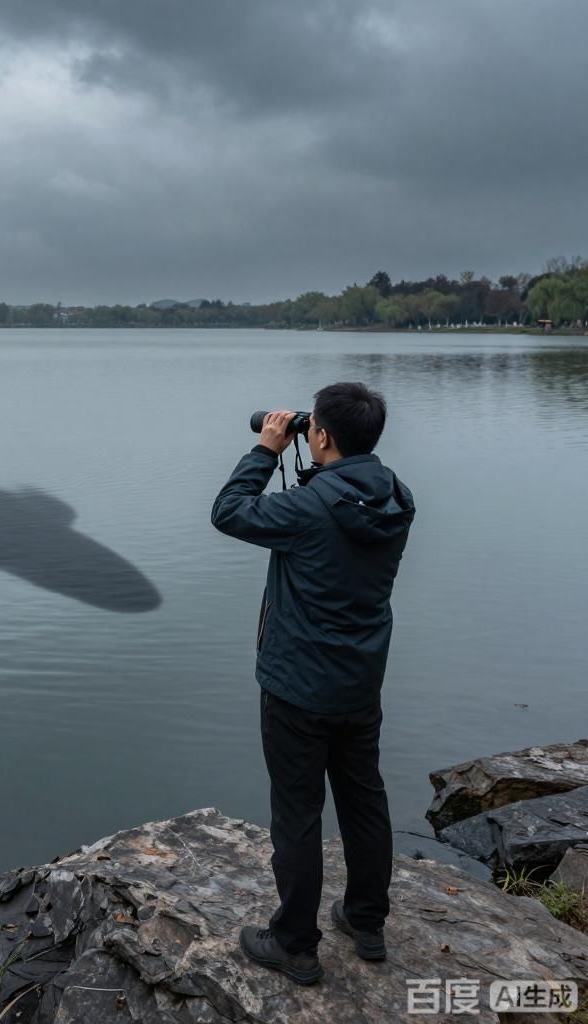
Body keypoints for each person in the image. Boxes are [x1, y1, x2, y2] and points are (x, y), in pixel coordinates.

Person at [210, 381, 415, 985]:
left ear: (318, 435)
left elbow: (228, 512)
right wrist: (313, 466)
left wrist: (267, 450)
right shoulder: (396, 495)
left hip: (297, 686)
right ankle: (366, 921)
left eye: (311, 427)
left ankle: (295, 944)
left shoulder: (306, 508)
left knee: (297, 813)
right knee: (364, 798)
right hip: (359, 681)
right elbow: (337, 516)